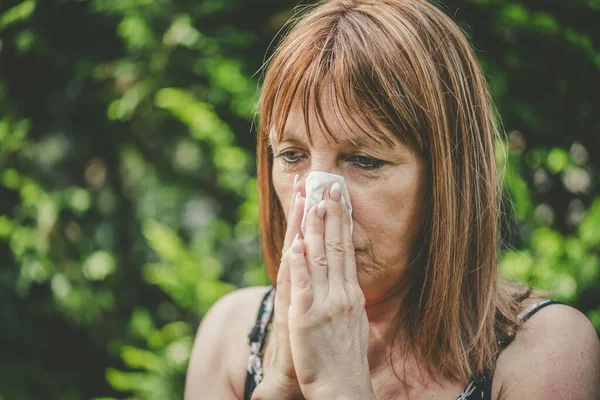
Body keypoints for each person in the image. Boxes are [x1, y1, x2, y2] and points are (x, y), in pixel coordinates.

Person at [184, 0, 600, 399]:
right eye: (292, 155)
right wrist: (279, 387)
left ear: (445, 177)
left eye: (364, 161)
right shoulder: (231, 338)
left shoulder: (543, 352)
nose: (318, 202)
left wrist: (338, 391)